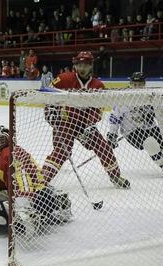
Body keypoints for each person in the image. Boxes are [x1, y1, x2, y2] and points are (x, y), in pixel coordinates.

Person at [42, 51, 130, 189]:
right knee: (62, 151)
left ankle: (115, 176)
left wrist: (89, 125)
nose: (82, 68)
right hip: (65, 122)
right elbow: (47, 95)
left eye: (86, 65)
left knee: (103, 147)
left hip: (85, 124)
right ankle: (42, 180)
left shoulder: (98, 85)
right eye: (80, 65)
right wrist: (51, 113)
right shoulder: (63, 79)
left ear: (91, 66)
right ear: (75, 65)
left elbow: (97, 109)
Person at [107, 72, 163, 177]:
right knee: (150, 143)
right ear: (130, 84)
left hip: (150, 128)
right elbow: (115, 118)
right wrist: (112, 135)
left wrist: (153, 111)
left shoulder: (150, 96)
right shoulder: (123, 99)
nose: (137, 87)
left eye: (140, 84)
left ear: (144, 84)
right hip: (132, 132)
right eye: (134, 84)